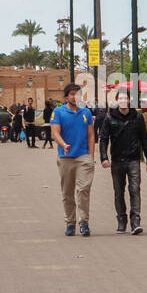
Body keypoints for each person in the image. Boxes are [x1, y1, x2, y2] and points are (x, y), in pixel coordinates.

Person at [99, 89, 147, 234]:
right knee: (119, 191)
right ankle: (121, 219)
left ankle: (135, 220)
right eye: (120, 98)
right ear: (117, 100)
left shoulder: (137, 117)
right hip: (117, 160)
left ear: (130, 100)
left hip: (133, 159)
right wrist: (104, 157)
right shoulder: (109, 118)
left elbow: (144, 139)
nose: (123, 100)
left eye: (126, 98)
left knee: (135, 189)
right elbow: (103, 139)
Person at [49, 83, 96, 237]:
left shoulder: (86, 113)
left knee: (83, 189)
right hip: (65, 157)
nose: (75, 97)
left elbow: (90, 135)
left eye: (77, 94)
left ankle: (84, 222)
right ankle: (70, 222)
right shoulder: (58, 112)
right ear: (66, 96)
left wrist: (91, 155)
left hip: (83, 156)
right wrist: (63, 145)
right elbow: (55, 132)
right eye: (72, 94)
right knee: (67, 192)